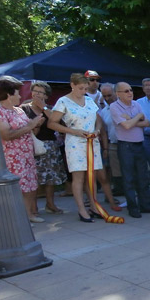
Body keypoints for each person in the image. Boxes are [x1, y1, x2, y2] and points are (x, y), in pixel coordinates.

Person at [48, 73, 105, 222]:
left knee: (91, 176)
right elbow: (52, 123)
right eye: (80, 88)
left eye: (85, 88)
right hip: (75, 142)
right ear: (72, 85)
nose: (83, 91)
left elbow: (98, 119)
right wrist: (74, 131)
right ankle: (81, 209)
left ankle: (93, 205)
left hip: (92, 141)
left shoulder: (88, 100)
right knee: (78, 176)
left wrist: (97, 129)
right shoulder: (63, 101)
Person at [109, 81, 150, 218]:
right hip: (125, 145)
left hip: (139, 144)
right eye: (126, 91)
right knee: (129, 178)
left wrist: (132, 119)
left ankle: (145, 205)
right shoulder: (114, 107)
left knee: (143, 176)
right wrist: (137, 118)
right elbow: (126, 126)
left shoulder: (136, 104)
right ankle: (133, 207)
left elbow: (147, 122)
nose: (130, 93)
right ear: (118, 94)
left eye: (131, 90)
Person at [0, 76, 43, 222]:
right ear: (8, 95)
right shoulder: (0, 112)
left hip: (27, 155)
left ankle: (28, 215)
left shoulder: (19, 111)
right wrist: (30, 126)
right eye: (17, 93)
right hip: (11, 157)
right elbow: (6, 135)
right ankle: (17, 221)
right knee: (17, 188)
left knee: (30, 185)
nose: (20, 96)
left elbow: (27, 130)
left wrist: (36, 124)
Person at [20, 81, 67, 216]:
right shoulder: (23, 109)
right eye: (35, 91)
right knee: (34, 178)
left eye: (41, 92)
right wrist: (36, 126)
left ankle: (50, 204)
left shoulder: (50, 108)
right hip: (32, 145)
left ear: (46, 96)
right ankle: (33, 208)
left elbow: (57, 121)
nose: (37, 94)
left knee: (51, 177)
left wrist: (44, 108)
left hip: (50, 146)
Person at [98, 83, 125, 202]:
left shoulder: (127, 105)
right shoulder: (104, 111)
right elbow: (104, 130)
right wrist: (106, 148)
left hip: (128, 143)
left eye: (110, 95)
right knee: (115, 170)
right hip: (113, 144)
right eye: (105, 96)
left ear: (116, 93)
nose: (108, 98)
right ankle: (119, 190)